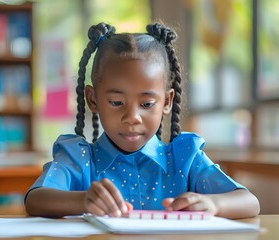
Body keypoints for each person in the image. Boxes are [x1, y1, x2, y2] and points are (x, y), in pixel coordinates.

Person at [25, 22, 260, 219]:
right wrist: (84, 200)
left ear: (167, 102)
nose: (132, 118)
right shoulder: (79, 159)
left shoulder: (184, 159)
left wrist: (214, 205)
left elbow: (249, 201)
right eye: (116, 102)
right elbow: (35, 199)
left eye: (147, 104)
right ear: (92, 99)